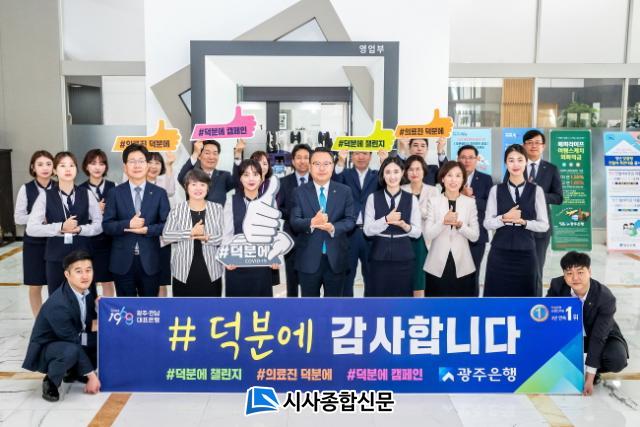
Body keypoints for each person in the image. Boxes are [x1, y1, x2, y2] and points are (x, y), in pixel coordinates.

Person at [22, 250, 100, 402]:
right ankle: (51, 381)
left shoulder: (88, 289)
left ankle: (74, 372)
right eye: (78, 271)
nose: (85, 276)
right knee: (71, 350)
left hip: (70, 338)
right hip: (48, 347)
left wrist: (99, 309)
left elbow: (89, 322)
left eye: (88, 270)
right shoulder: (59, 304)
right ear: (67, 274)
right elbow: (72, 341)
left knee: (101, 338)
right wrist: (92, 376)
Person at [547, 251, 629, 396]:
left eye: (580, 272)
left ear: (589, 272)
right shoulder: (557, 286)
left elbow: (598, 338)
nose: (575, 278)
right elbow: (548, 318)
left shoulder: (605, 297)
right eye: (569, 273)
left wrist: (589, 378)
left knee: (616, 359)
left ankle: (594, 370)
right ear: (564, 275)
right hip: (572, 336)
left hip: (603, 335)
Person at [27, 152, 103, 295]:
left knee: (87, 298)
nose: (68, 169)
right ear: (55, 170)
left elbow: (99, 225)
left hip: (83, 255)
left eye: (71, 165)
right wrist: (60, 227)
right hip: (56, 256)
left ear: (76, 169)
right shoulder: (45, 196)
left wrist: (81, 229)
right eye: (62, 166)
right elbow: (31, 228)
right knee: (57, 298)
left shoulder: (86, 194)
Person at [102, 144, 170, 297]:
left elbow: (167, 225)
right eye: (132, 161)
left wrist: (147, 230)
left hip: (150, 261)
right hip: (122, 262)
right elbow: (107, 226)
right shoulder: (115, 193)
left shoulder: (159, 193)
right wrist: (128, 224)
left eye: (141, 161)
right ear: (125, 167)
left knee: (150, 306)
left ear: (147, 165)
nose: (137, 165)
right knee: (126, 308)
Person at [503, 130, 563, 296]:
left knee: (536, 270)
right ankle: (517, 303)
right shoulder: (515, 167)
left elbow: (558, 198)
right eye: (529, 143)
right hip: (515, 228)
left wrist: (538, 193)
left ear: (543, 146)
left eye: (537, 142)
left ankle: (535, 304)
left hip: (539, 230)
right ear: (524, 146)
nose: (533, 146)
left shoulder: (551, 169)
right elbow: (504, 193)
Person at [484, 144, 549, 296]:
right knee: (496, 296)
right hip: (499, 252)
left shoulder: (536, 191)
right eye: (511, 160)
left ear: (526, 162)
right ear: (506, 163)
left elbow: (544, 225)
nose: (515, 164)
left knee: (525, 298)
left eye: (520, 160)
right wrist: (504, 218)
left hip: (526, 253)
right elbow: (487, 223)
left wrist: (525, 223)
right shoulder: (496, 190)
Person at [290, 147, 356, 297]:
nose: (321, 168)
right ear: (310, 167)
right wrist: (312, 222)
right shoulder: (299, 192)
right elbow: (295, 221)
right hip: (308, 260)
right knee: (310, 306)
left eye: (326, 164)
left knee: (333, 306)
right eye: (317, 164)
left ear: (332, 166)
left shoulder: (344, 191)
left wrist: (333, 227)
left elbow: (350, 220)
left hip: (336, 259)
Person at [364, 157, 422, 296]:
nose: (392, 176)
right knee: (378, 297)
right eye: (388, 172)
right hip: (379, 256)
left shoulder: (412, 199)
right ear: (383, 175)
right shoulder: (373, 197)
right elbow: (367, 230)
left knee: (403, 299)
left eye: (396, 171)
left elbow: (418, 232)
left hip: (404, 257)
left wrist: (405, 226)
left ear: (402, 173)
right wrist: (386, 219)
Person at [162, 169, 224, 297]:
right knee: (183, 308)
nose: (198, 188)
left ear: (208, 188)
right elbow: (167, 236)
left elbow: (223, 237)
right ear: (186, 187)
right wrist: (190, 232)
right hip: (182, 272)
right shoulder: (177, 209)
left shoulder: (217, 209)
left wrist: (206, 237)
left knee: (211, 307)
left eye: (202, 184)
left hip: (212, 270)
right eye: (193, 184)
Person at [222, 159, 278, 297]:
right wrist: (227, 257)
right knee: (237, 307)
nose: (251, 179)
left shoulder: (270, 202)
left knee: (262, 306)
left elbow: (274, 233)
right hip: (237, 265)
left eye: (255, 174)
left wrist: (276, 255)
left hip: (261, 265)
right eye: (246, 175)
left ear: (261, 178)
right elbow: (227, 233)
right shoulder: (231, 201)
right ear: (240, 179)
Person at [423, 161, 479, 296]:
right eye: (449, 175)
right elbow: (428, 234)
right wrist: (443, 222)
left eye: (458, 176)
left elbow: (475, 236)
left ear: (463, 180)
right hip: (436, 265)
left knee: (462, 305)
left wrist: (461, 226)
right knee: (437, 305)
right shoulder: (433, 201)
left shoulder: (470, 202)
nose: (453, 180)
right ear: (442, 179)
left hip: (463, 265)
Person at [334, 150, 384, 297]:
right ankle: (347, 308)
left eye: (365, 153)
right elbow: (334, 185)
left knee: (372, 275)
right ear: (351, 156)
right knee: (346, 276)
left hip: (371, 234)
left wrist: (384, 162)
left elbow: (387, 186)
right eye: (356, 153)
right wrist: (340, 161)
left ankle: (370, 307)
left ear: (371, 156)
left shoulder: (377, 175)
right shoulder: (344, 174)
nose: (361, 157)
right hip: (349, 233)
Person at [14, 150, 56, 316]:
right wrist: (37, 217)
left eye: (48, 164)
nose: (45, 168)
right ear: (33, 167)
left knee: (57, 283)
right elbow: (19, 218)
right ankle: (39, 321)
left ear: (54, 167)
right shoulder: (26, 189)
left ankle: (57, 318)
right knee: (35, 284)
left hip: (56, 241)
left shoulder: (60, 187)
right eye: (40, 164)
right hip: (34, 244)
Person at [79, 149, 116, 297]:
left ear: (105, 167)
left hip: (108, 241)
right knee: (87, 280)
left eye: (101, 163)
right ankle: (90, 310)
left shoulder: (114, 186)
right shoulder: (79, 189)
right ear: (86, 166)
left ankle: (108, 310)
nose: (97, 167)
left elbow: (121, 212)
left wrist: (108, 210)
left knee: (108, 280)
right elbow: (76, 217)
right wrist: (93, 211)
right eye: (93, 163)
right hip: (87, 241)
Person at [401, 155, 439, 297]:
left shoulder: (433, 191)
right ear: (406, 172)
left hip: (424, 239)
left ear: (424, 171)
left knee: (420, 277)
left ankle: (420, 304)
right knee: (405, 276)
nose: (414, 173)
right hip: (404, 238)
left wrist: (414, 209)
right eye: (411, 169)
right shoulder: (400, 189)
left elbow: (435, 215)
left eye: (418, 169)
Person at [457, 145, 493, 292]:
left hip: (477, 236)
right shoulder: (451, 178)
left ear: (477, 159)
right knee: (454, 275)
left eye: (471, 157)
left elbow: (490, 206)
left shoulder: (486, 179)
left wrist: (470, 198)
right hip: (454, 234)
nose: (467, 161)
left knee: (473, 274)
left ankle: (472, 303)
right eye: (463, 157)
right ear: (458, 159)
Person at [278, 144, 312, 297]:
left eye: (306, 158)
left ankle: (308, 308)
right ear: (292, 161)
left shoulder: (318, 180)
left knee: (310, 279)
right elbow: (279, 208)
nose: (302, 161)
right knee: (291, 278)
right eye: (299, 158)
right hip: (291, 236)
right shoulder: (283, 182)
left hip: (313, 236)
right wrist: (295, 215)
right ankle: (290, 308)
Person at [147, 151, 177, 297]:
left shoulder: (161, 185)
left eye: (157, 163)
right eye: (150, 162)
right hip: (142, 241)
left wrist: (169, 165)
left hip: (161, 240)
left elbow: (170, 190)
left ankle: (162, 308)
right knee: (144, 278)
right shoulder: (135, 186)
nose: (153, 166)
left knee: (162, 280)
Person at [177, 139, 235, 205]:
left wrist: (238, 157)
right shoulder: (192, 175)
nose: (211, 157)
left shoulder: (225, 176)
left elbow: (238, 182)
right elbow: (181, 178)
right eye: (207, 153)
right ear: (199, 156)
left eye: (215, 153)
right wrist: (195, 153)